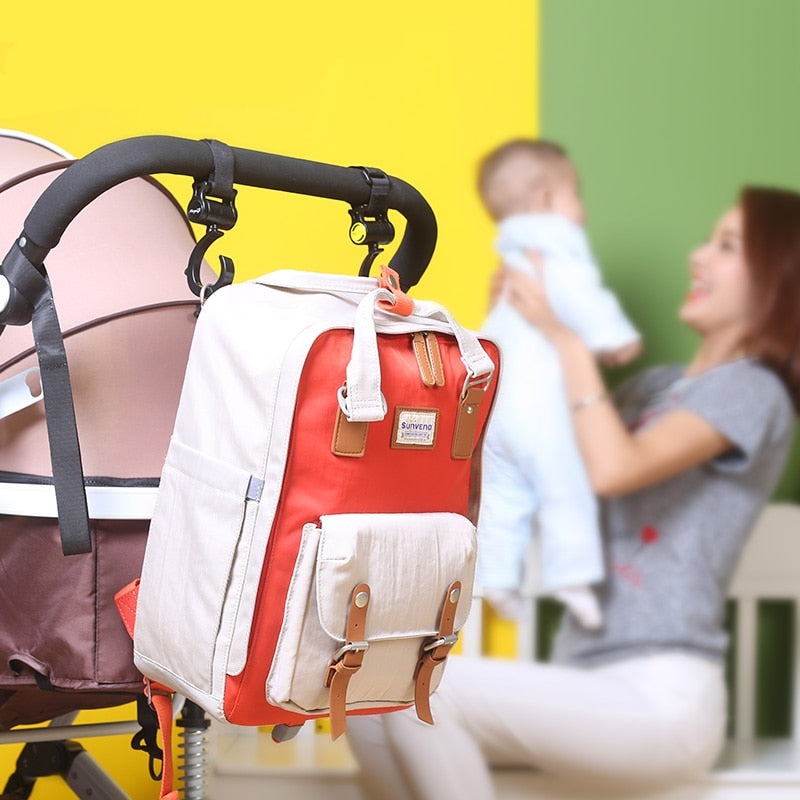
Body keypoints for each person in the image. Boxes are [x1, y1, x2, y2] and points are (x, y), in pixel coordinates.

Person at [346, 186, 800, 798]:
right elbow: (514, 460)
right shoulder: (653, 392)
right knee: (371, 703)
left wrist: (563, 337)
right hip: (583, 692)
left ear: (777, 276)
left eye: (727, 246)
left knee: (420, 692)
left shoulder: (755, 390)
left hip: (661, 697)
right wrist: (490, 336)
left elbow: (614, 469)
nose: (699, 257)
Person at [475, 138, 641, 627]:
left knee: (503, 494)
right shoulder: (555, 247)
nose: (581, 208)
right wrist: (615, 337)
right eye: (575, 195)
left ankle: (495, 578)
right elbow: (581, 296)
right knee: (566, 483)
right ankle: (572, 576)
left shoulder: (511, 261)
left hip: (496, 405)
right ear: (548, 200)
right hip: (539, 408)